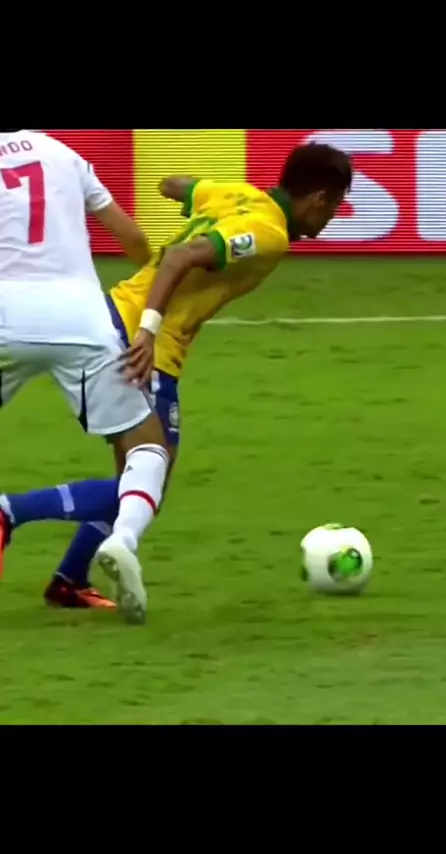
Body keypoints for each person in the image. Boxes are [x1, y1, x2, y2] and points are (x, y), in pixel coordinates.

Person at [0, 142, 353, 611]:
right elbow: (179, 257)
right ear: (319, 199)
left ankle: (70, 579)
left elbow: (173, 185)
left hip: (113, 315)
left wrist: (191, 194)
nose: (332, 217)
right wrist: (148, 330)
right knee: (148, 481)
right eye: (335, 205)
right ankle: (11, 512)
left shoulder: (235, 195)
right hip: (143, 342)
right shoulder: (266, 231)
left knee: (135, 476)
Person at [0, 129, 176, 625]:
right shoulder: (63, 153)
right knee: (148, 446)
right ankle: (123, 538)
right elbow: (132, 237)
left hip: (5, 312)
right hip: (82, 319)